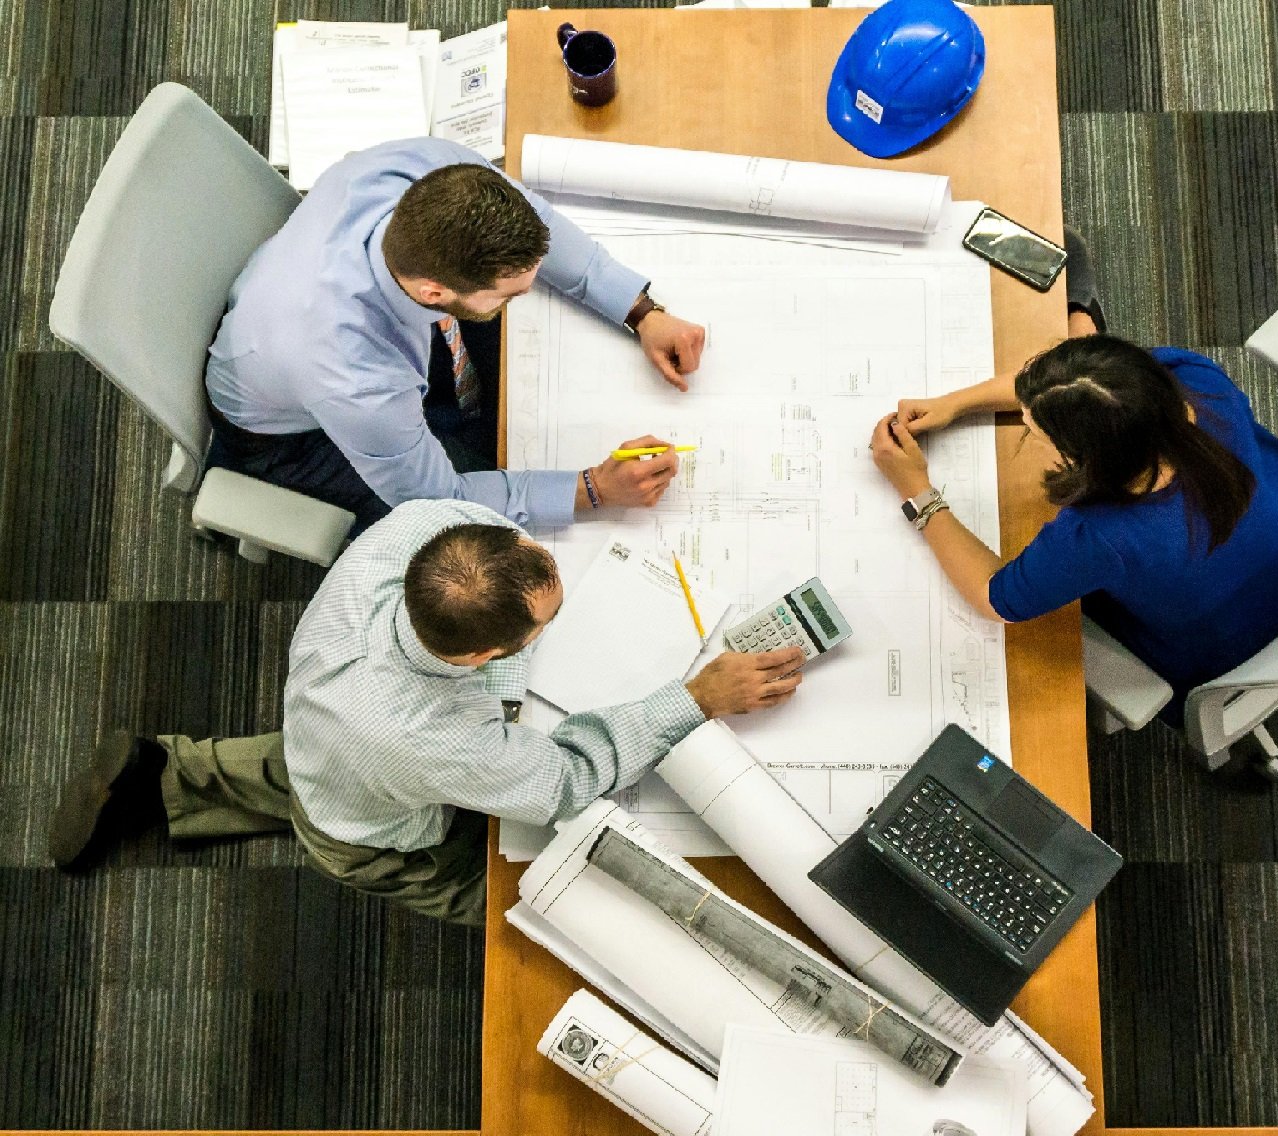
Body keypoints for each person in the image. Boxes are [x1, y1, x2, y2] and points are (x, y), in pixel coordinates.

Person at [48, 499, 804, 924]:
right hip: (372, 826)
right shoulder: (431, 740)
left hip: (327, 726)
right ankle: (528, 916)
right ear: (483, 658)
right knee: (522, 897)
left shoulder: (421, 531)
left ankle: (167, 773)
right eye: (544, 627)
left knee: (315, 764)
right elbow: (565, 781)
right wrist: (695, 697)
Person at [866, 242, 1278, 740]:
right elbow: (1086, 387)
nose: (1027, 425)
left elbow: (996, 598)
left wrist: (919, 492)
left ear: (1086, 459)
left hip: (1231, 648)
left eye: (1036, 431)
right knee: (1073, 264)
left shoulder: (1099, 536)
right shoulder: (1193, 381)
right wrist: (956, 404)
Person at [205, 137, 709, 532]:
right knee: (478, 545)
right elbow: (439, 501)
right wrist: (593, 488)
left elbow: (541, 224)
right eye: (511, 293)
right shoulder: (355, 377)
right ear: (434, 291)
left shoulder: (429, 167)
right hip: (290, 437)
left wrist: (640, 311)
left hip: (295, 312)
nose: (528, 293)